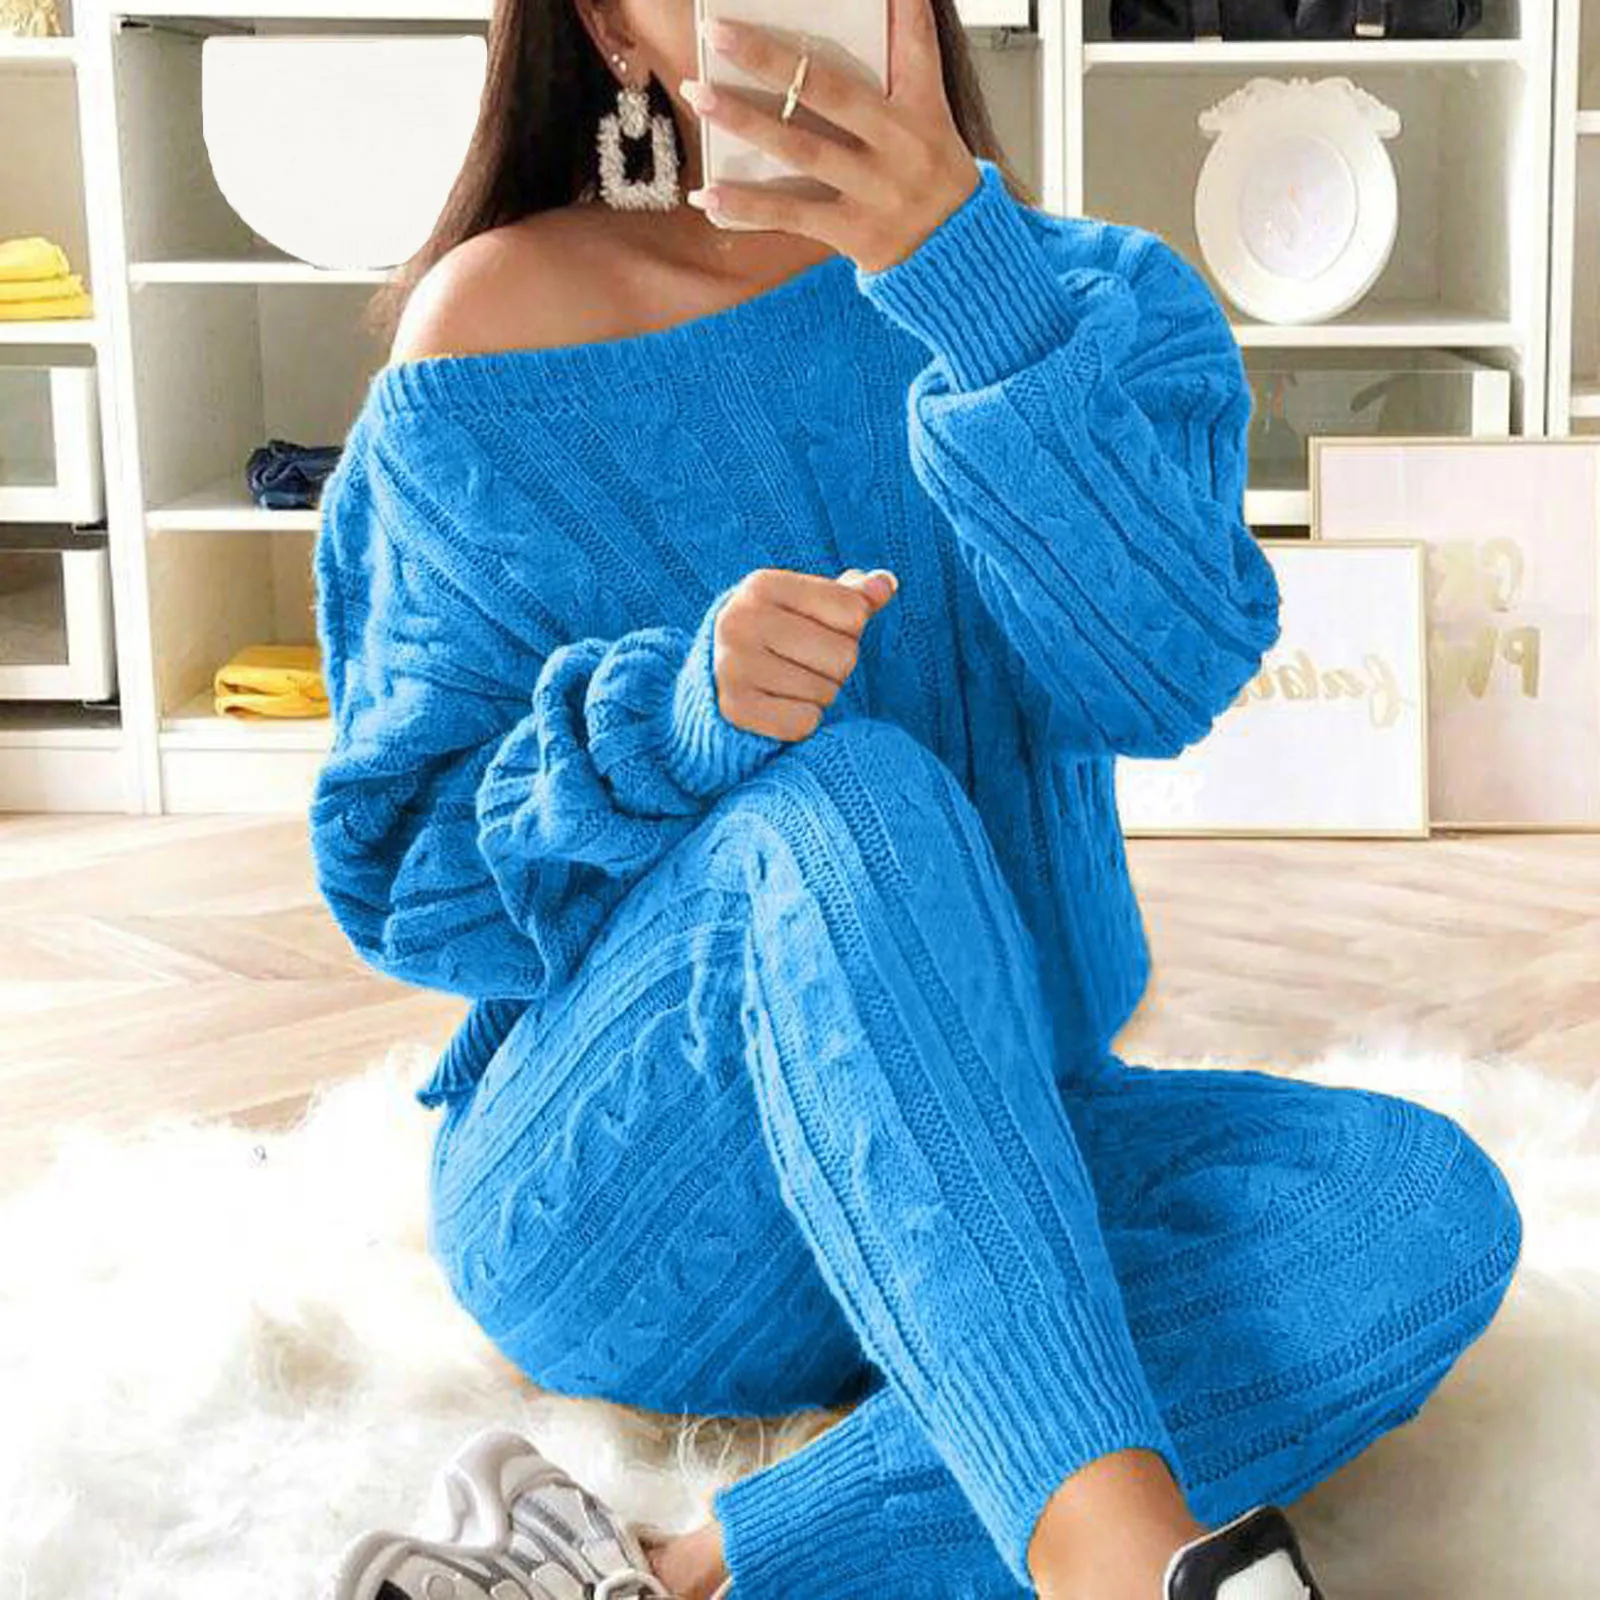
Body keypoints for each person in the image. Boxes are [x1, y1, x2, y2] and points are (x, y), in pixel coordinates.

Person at [307, 0, 1524, 1596]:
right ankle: (1121, 1563)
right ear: (608, 25)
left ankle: (670, 1568)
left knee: (1414, 1210)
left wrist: (969, 292)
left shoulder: (1084, 301)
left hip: (1002, 1140)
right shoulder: (491, 328)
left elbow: (1163, 679)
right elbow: (408, 874)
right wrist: (673, 724)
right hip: (645, 1193)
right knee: (847, 789)